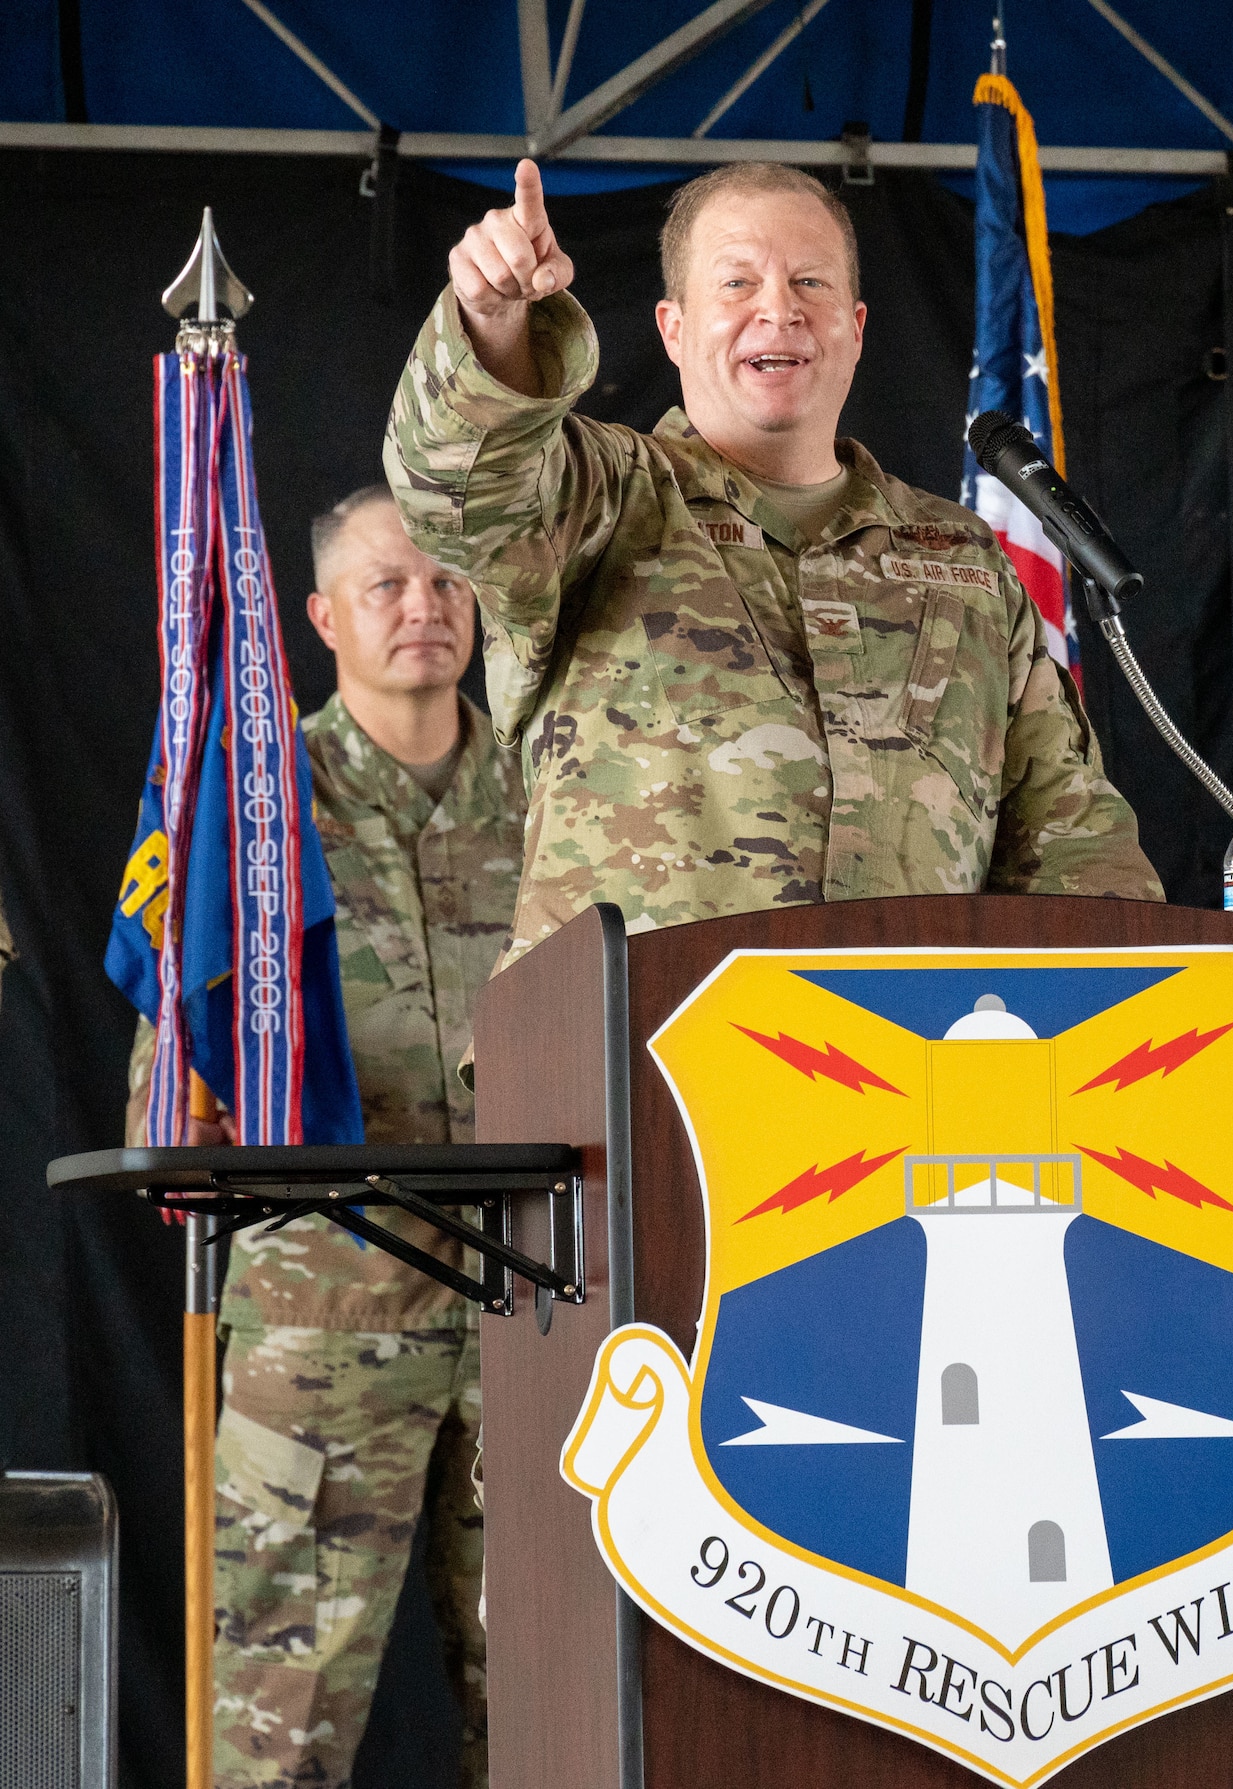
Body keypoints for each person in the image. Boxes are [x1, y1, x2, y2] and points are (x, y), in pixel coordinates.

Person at [384, 158, 1158, 971]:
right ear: (673, 328)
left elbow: (1072, 843)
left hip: (913, 1064)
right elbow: (455, 490)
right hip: (633, 1062)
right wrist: (494, 323)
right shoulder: (598, 498)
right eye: (738, 283)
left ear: (857, 328)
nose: (779, 309)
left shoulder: (962, 560)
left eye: (811, 283)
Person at [126, 485, 524, 1789]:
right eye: (387, 586)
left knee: (559, 1716)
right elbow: (174, 1065)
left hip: (545, 1309)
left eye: (448, 583)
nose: (424, 609)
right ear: (320, 617)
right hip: (325, 1326)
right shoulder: (250, 812)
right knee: (271, 1732)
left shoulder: (561, 790)